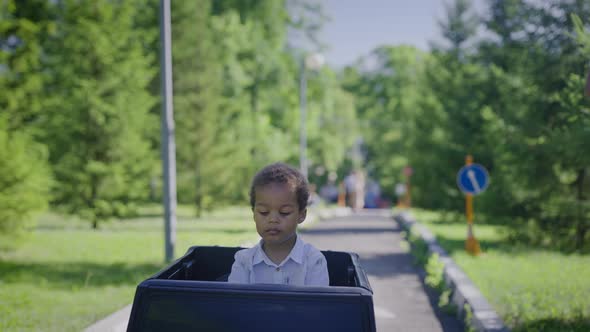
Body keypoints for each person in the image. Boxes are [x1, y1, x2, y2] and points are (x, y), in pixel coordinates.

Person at [228, 162, 330, 286]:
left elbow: (318, 305)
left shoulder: (313, 261)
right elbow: (235, 304)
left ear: (301, 215)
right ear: (254, 213)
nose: (273, 219)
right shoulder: (243, 261)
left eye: (284, 212)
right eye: (264, 212)